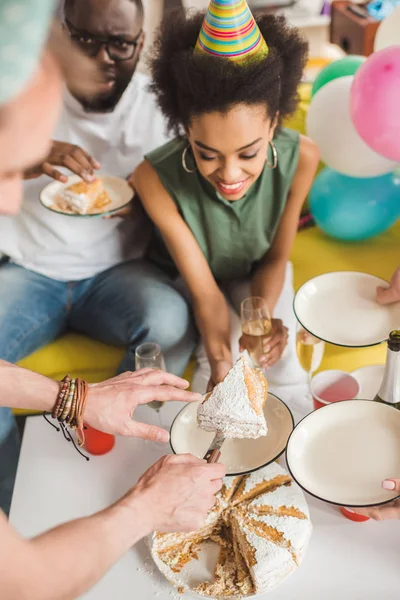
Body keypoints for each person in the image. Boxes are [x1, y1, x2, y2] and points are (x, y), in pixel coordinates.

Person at [0, 5, 225, 597]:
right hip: (31, 272)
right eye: (6, 173)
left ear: (142, 42)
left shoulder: (163, 109)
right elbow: (25, 583)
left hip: (114, 277)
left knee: (165, 318)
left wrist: (74, 397)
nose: (11, 202)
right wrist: (144, 509)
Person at [133, 3, 320, 394]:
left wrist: (262, 324)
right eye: (207, 153)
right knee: (219, 371)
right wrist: (221, 358)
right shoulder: (153, 179)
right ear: (185, 129)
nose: (230, 175)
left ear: (273, 123)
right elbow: (206, 295)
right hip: (195, 279)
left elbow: (273, 259)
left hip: (256, 271)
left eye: (248, 154)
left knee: (282, 364)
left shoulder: (301, 157)